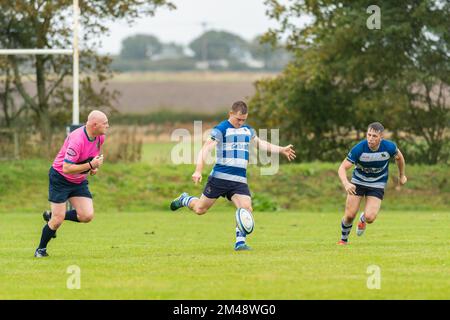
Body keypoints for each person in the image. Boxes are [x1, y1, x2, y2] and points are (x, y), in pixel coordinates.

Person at [170, 101, 296, 251]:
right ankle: (184, 199)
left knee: (246, 208)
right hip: (219, 178)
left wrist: (282, 149)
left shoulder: (248, 130)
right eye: (238, 119)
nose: (241, 122)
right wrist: (198, 170)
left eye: (244, 119)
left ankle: (240, 243)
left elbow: (261, 144)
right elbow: (205, 149)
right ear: (231, 114)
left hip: (239, 180)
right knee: (200, 209)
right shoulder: (221, 129)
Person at [34, 110, 109, 257]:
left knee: (86, 216)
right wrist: (90, 166)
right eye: (105, 123)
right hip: (60, 179)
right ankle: (40, 250)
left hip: (78, 181)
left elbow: (91, 156)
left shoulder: (100, 137)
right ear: (95, 125)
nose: (108, 126)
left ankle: (52, 216)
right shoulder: (77, 140)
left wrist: (94, 167)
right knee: (57, 220)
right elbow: (66, 168)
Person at [337, 122, 407, 245]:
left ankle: (363, 219)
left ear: (381, 137)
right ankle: (343, 240)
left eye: (374, 136)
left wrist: (402, 175)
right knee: (349, 215)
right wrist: (346, 183)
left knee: (370, 218)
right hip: (358, 182)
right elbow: (342, 168)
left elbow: (399, 158)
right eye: (369, 135)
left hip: (377, 183)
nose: (370, 138)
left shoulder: (389, 147)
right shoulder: (359, 149)